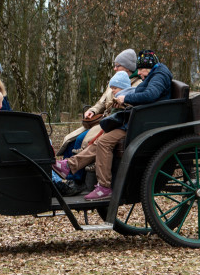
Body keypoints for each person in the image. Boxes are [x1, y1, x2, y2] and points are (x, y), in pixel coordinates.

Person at [54, 50, 172, 200]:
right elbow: (143, 94)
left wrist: (126, 98)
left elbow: (150, 95)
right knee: (100, 139)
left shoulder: (159, 75)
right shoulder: (155, 74)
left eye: (141, 70)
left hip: (143, 122)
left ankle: (103, 186)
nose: (139, 73)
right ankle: (69, 166)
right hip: (139, 119)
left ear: (147, 67)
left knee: (103, 142)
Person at [60, 48, 138, 152]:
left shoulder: (138, 84)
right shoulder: (115, 80)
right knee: (70, 141)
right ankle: (66, 162)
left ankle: (75, 162)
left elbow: (132, 106)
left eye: (117, 66)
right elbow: (102, 101)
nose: (114, 68)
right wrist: (93, 111)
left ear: (127, 67)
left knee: (81, 141)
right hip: (102, 119)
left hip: (114, 122)